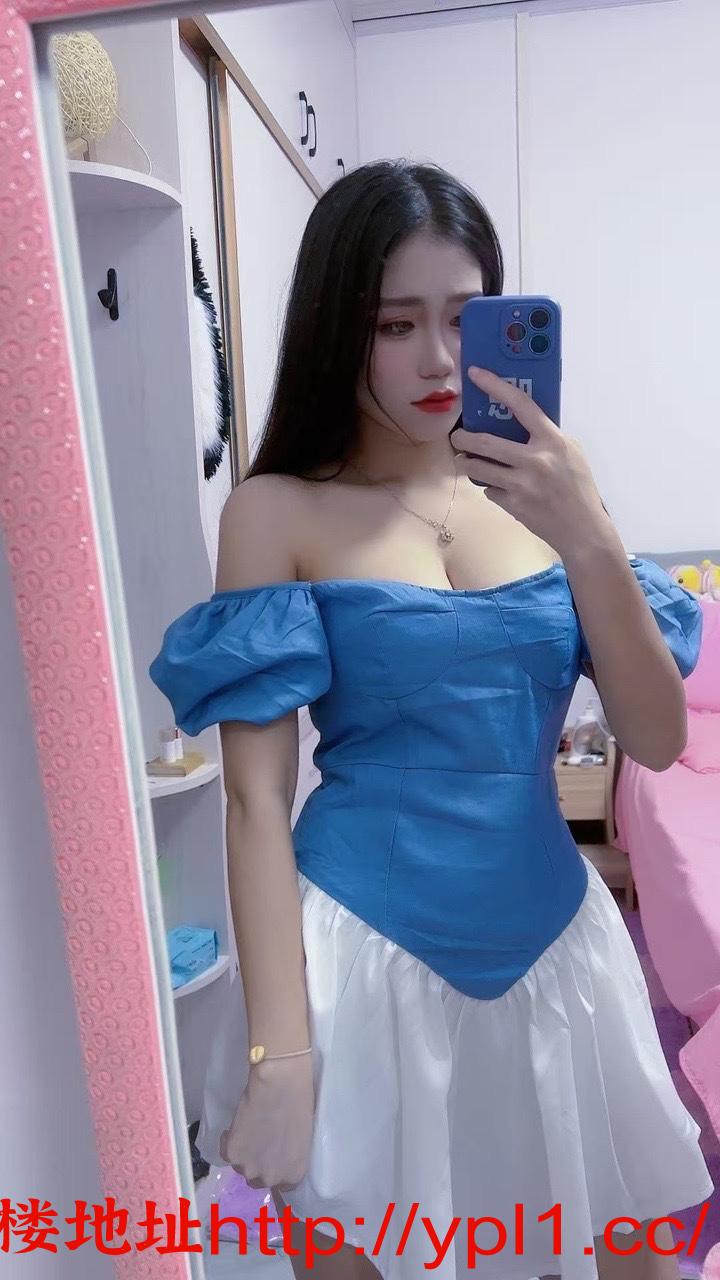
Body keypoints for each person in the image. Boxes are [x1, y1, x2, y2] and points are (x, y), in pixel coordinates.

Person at [149, 160, 714, 1280]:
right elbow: (256, 800)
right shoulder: (276, 510)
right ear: (337, 330)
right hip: (360, 961)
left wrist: (590, 533)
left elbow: (655, 738)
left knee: (626, 1258)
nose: (441, 359)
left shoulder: (552, 498)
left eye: (464, 316)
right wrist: (279, 1053)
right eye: (395, 324)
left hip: (559, 948)